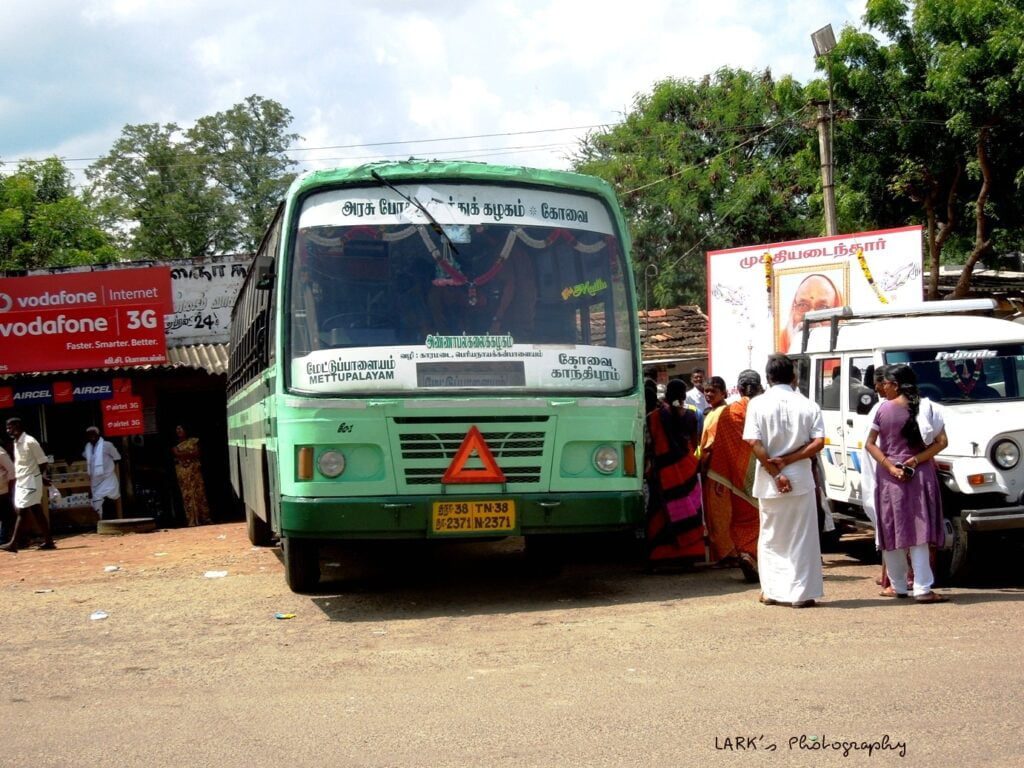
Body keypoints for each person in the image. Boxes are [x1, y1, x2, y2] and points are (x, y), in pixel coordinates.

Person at [743, 355, 826, 607]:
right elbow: (818, 442)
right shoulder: (808, 405)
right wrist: (789, 460)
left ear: (768, 378)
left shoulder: (757, 404)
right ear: (794, 377)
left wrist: (776, 473)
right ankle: (801, 594)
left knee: (771, 537)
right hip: (800, 477)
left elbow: (754, 442)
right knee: (802, 537)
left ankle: (772, 591)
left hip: (770, 481)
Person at [865, 364, 950, 603]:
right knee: (920, 531)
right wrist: (915, 460)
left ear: (896, 384)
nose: (882, 388)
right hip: (919, 474)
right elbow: (942, 442)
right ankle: (922, 588)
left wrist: (891, 466)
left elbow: (870, 444)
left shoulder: (882, 409)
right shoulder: (929, 408)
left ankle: (898, 586)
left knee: (892, 528)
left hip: (890, 477)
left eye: (885, 384)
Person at [704, 370, 763, 580]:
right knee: (764, 520)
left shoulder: (729, 413)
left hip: (735, 481)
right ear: (760, 386)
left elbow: (717, 448)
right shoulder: (765, 408)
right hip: (766, 474)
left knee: (740, 519)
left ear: (737, 389)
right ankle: (758, 559)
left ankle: (746, 553)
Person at [644, 378, 705, 566]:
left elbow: (649, 446)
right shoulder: (692, 415)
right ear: (684, 396)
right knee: (690, 510)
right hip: (687, 469)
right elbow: (694, 443)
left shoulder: (653, 417)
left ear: (666, 395)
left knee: (661, 512)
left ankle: (661, 557)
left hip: (663, 472)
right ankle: (691, 554)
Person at [1, 417, 56, 552]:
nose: (8, 430)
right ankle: (49, 541)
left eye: (10, 427)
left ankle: (13, 543)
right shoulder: (16, 442)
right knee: (36, 510)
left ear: (17, 426)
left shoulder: (30, 441)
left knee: (22, 510)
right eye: (7, 428)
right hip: (22, 481)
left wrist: (38, 477)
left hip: (30, 480)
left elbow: (43, 462)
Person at [778, 273, 843, 354]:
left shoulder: (847, 344)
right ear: (793, 309)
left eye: (822, 307)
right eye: (803, 305)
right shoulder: (784, 340)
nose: (811, 316)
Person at [172, 425, 211, 526]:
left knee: (199, 493)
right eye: (177, 429)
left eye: (181, 428)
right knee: (187, 496)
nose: (179, 430)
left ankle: (204, 518)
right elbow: (177, 454)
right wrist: (189, 452)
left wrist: (183, 453)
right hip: (183, 474)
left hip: (195, 471)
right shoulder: (175, 444)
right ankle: (192, 520)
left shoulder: (193, 441)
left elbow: (197, 453)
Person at [83, 427, 121, 520]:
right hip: (95, 481)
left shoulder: (107, 445)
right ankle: (103, 523)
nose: (92, 436)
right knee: (97, 503)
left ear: (98, 435)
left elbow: (117, 457)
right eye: (89, 435)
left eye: (93, 434)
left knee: (109, 501)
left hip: (108, 479)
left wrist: (108, 468)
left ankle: (112, 523)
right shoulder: (88, 448)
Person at [0, 441, 15, 545]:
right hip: (2, 488)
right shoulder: (1, 452)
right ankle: (3, 539)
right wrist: (10, 488)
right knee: (8, 515)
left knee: (6, 514)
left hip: (3, 488)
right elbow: (12, 470)